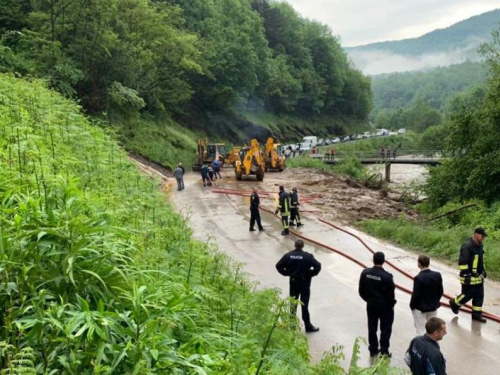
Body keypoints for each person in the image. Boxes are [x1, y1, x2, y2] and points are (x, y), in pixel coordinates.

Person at [276, 240, 322, 332]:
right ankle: (308, 325)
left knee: (293, 304)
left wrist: (287, 273)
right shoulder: (307, 256)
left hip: (293, 282)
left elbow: (278, 265)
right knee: (304, 304)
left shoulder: (288, 255)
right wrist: (310, 274)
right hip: (305, 283)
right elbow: (318, 266)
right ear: (303, 246)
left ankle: (292, 326)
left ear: (295, 245)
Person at [358, 252, 396, 357]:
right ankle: (384, 350)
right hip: (384, 307)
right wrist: (390, 305)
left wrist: (368, 300)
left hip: (371, 305)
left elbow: (361, 290)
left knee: (372, 326)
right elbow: (391, 295)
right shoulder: (387, 277)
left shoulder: (365, 273)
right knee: (385, 328)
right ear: (383, 261)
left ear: (373, 260)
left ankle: (373, 348)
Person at [449, 228, 488, 323]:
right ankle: (454, 303)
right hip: (469, 277)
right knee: (467, 295)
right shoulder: (467, 246)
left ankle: (476, 315)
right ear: (476, 235)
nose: (483, 238)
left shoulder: (479, 245)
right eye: (482, 236)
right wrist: (467, 274)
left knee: (479, 296)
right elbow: (462, 262)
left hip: (478, 277)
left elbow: (480, 260)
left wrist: (483, 270)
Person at [410, 255, 444, 335]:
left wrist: (412, 306)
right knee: (432, 330)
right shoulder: (437, 275)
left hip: (420, 309)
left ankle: (422, 346)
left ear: (419, 264)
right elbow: (440, 291)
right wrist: (436, 302)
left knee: (420, 329)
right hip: (433, 307)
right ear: (428, 263)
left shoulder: (418, 278)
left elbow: (416, 295)